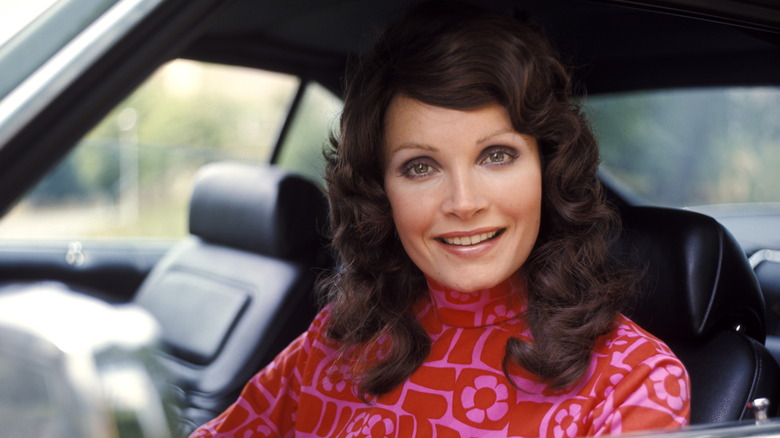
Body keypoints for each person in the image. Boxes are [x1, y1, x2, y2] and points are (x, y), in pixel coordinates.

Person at [190, 1, 690, 437]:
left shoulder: (632, 379)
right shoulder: (337, 344)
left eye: (497, 155)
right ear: (381, 193)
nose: (464, 202)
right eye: (420, 167)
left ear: (547, 169)